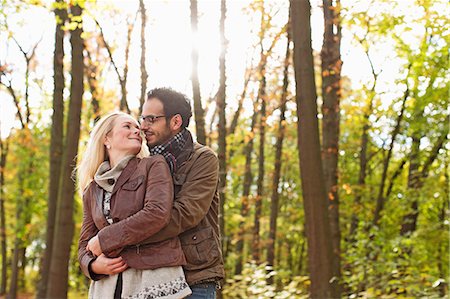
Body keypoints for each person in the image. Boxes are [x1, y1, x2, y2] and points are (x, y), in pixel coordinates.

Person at [77, 111, 192, 299]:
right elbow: (84, 244)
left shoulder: (153, 165)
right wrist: (92, 266)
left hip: (152, 278)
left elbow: (157, 213)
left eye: (137, 128)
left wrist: (103, 240)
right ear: (107, 138)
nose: (136, 131)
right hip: (108, 287)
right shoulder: (92, 190)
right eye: (127, 126)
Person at [137, 87, 225, 299]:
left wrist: (125, 238)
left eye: (151, 119)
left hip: (194, 275)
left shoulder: (203, 159)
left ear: (175, 122)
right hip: (152, 276)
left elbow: (185, 214)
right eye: (142, 118)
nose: (143, 126)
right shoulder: (142, 161)